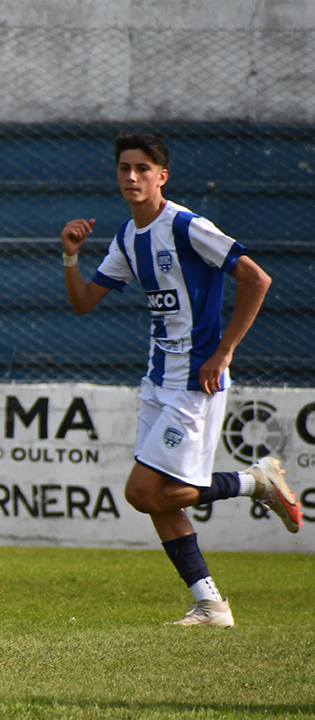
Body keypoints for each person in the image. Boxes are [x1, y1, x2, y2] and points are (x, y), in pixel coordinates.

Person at [60, 131, 302, 628]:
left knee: (142, 492)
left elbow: (257, 279)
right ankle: (210, 604)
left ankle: (254, 481)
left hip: (197, 383)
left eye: (142, 169)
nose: (131, 177)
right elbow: (84, 301)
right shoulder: (129, 236)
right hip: (156, 382)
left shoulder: (187, 225)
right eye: (124, 168)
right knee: (154, 500)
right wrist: (70, 255)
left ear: (161, 176)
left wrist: (224, 351)